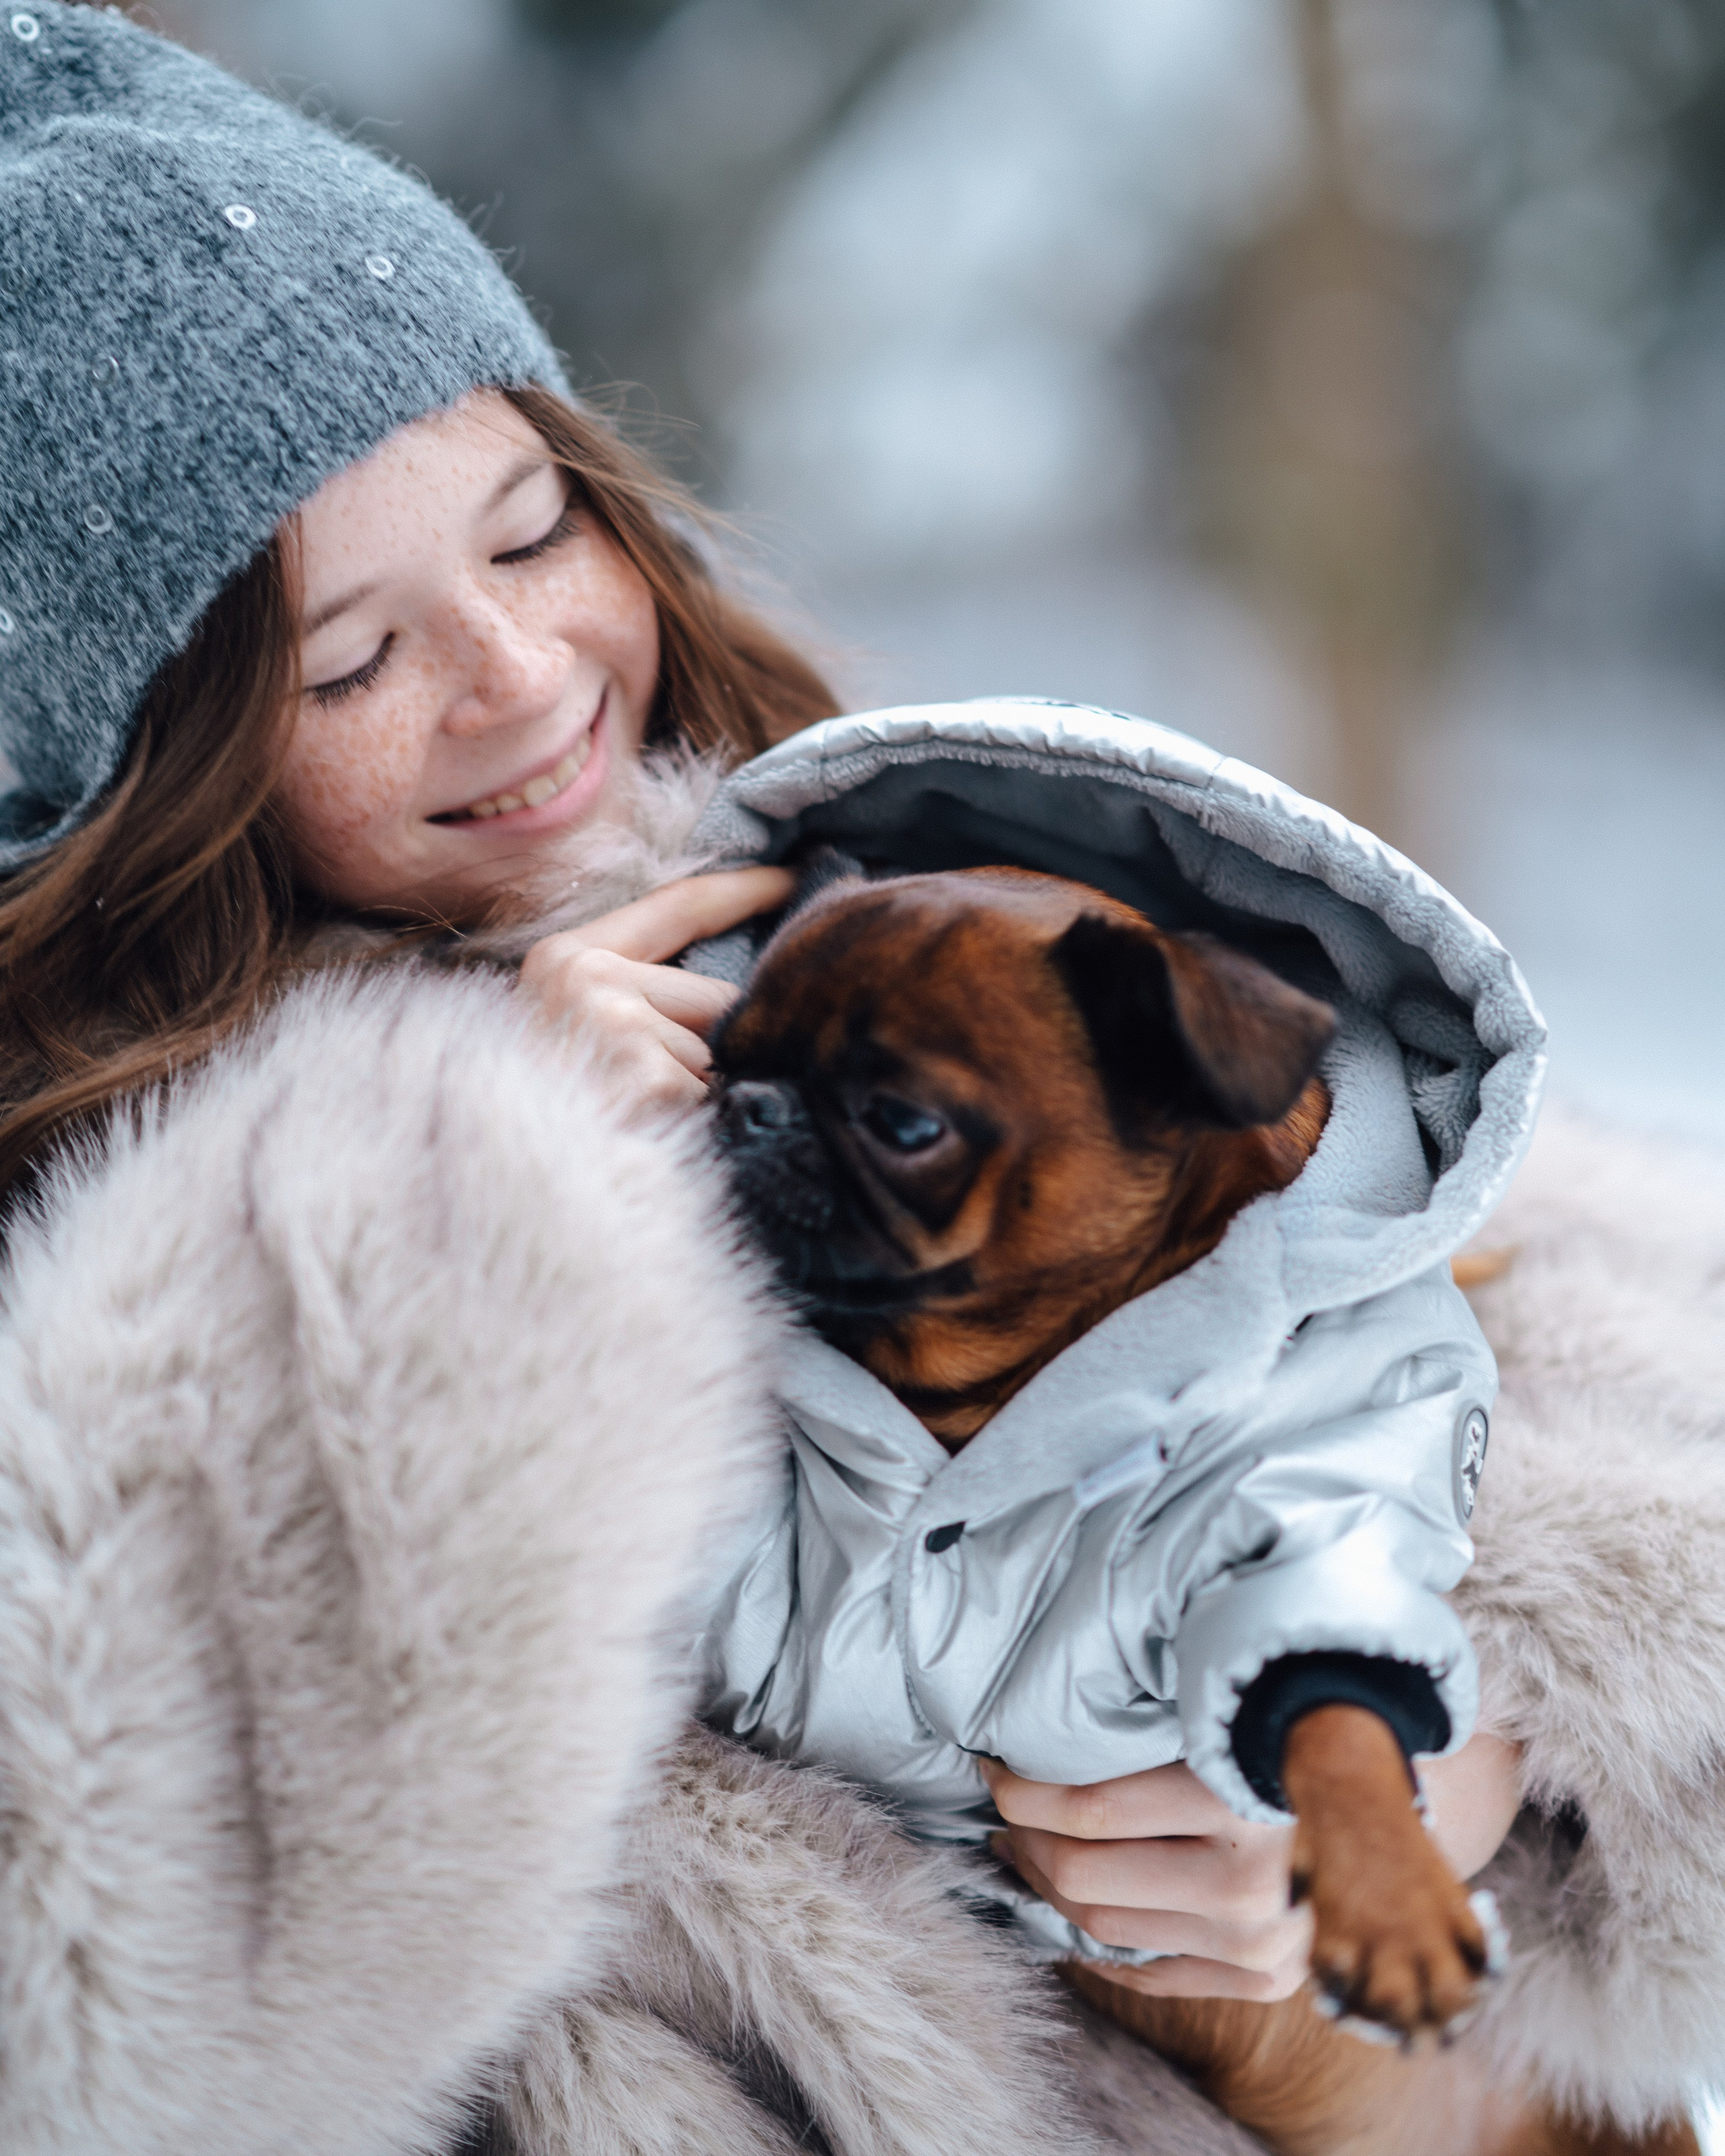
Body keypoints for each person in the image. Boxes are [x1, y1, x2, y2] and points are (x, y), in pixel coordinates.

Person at [0, 10, 1717, 2156]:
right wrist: (456, 1204)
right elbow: (120, 1999)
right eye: (349, 659)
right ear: (142, 781)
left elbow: (1563, 1389)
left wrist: (1464, 1764)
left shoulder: (956, 885)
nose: (520, 679)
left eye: (535, 533)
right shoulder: (96, 1279)